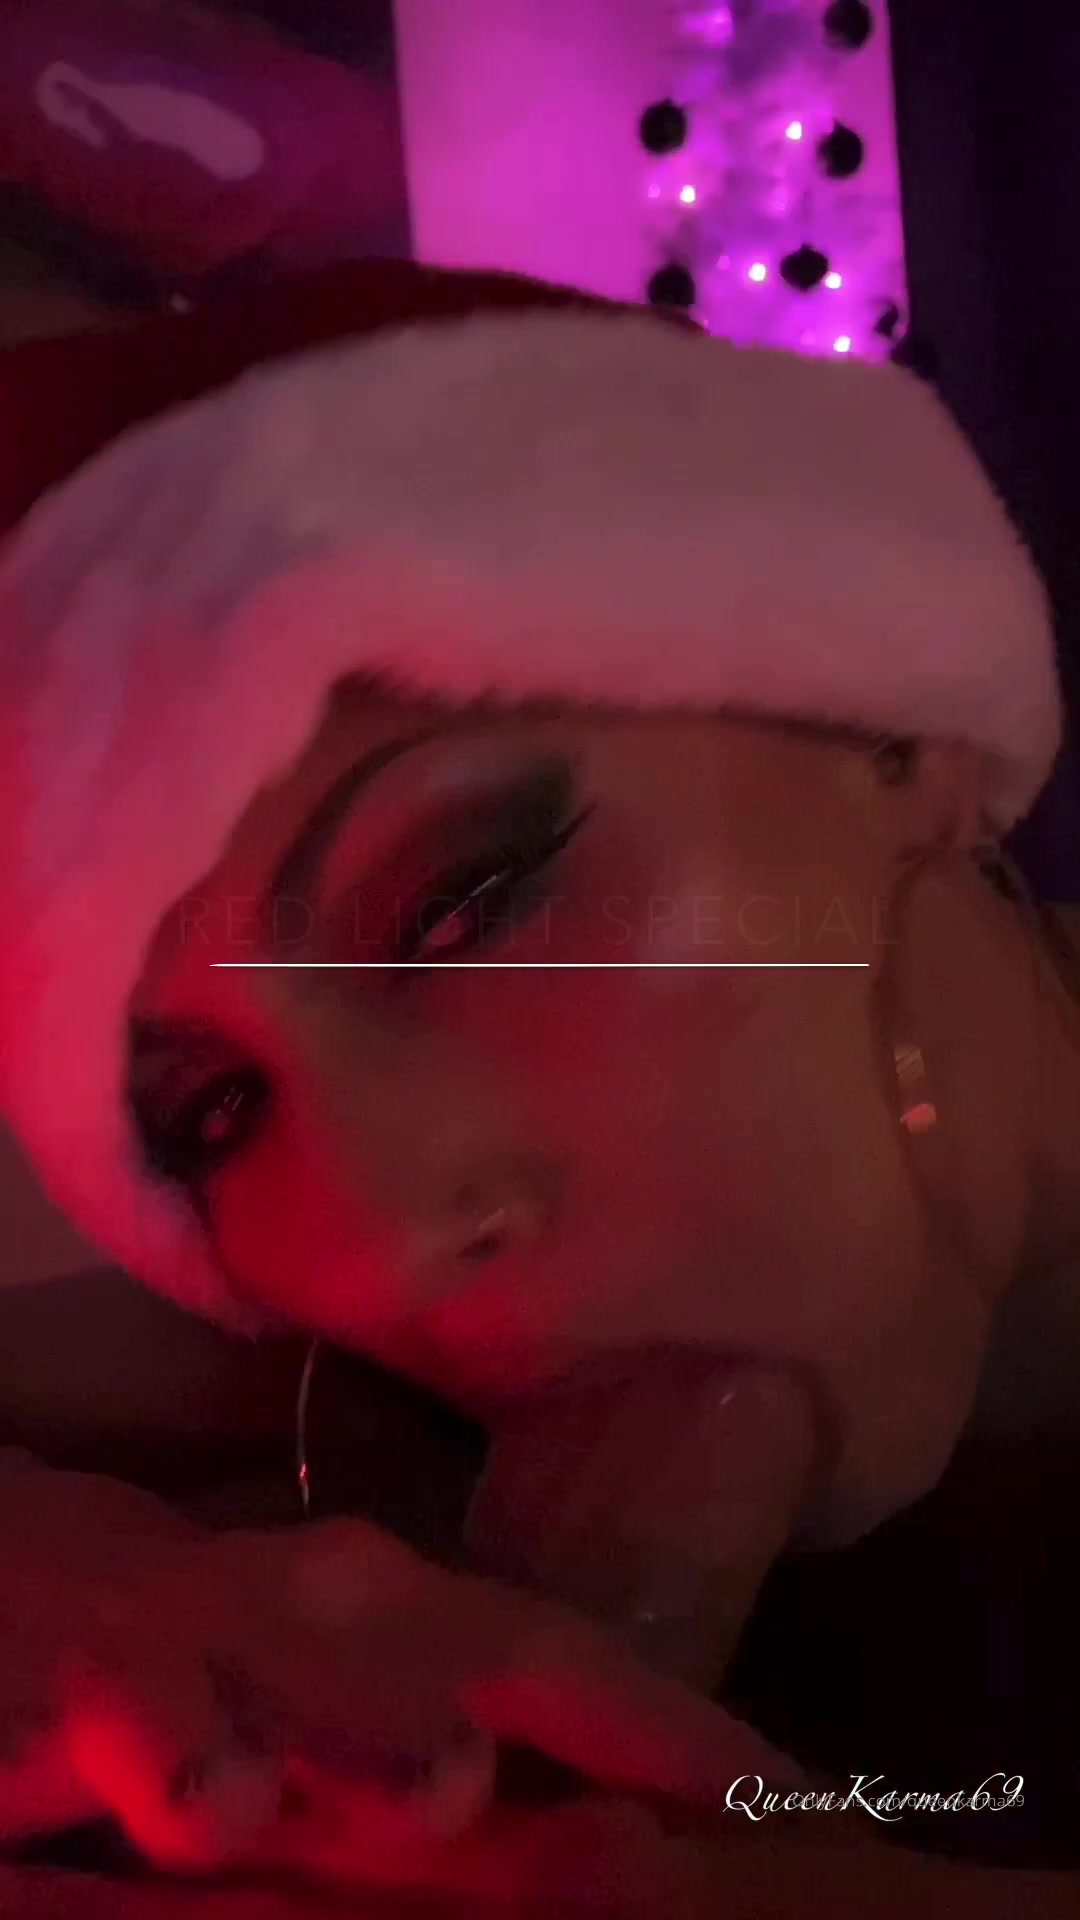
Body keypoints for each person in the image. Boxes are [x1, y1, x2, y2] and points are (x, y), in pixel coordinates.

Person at [0, 256, 1077, 1916]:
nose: (378, 1237)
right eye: (213, 1115)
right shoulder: (333, 1485)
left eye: (461, 901)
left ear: (895, 738)